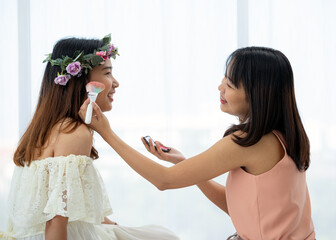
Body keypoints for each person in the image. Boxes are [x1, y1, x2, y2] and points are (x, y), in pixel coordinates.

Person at [79, 47, 316, 240]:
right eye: (224, 77)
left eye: (231, 84)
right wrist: (184, 162)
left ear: (258, 93)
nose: (220, 87)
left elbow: (164, 180)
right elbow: (242, 208)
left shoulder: (247, 142)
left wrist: (107, 132)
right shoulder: (284, 137)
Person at [0, 34, 179, 240]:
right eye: (108, 73)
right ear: (82, 82)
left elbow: (74, 211)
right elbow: (56, 221)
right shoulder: (75, 132)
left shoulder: (39, 132)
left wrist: (118, 228)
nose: (116, 83)